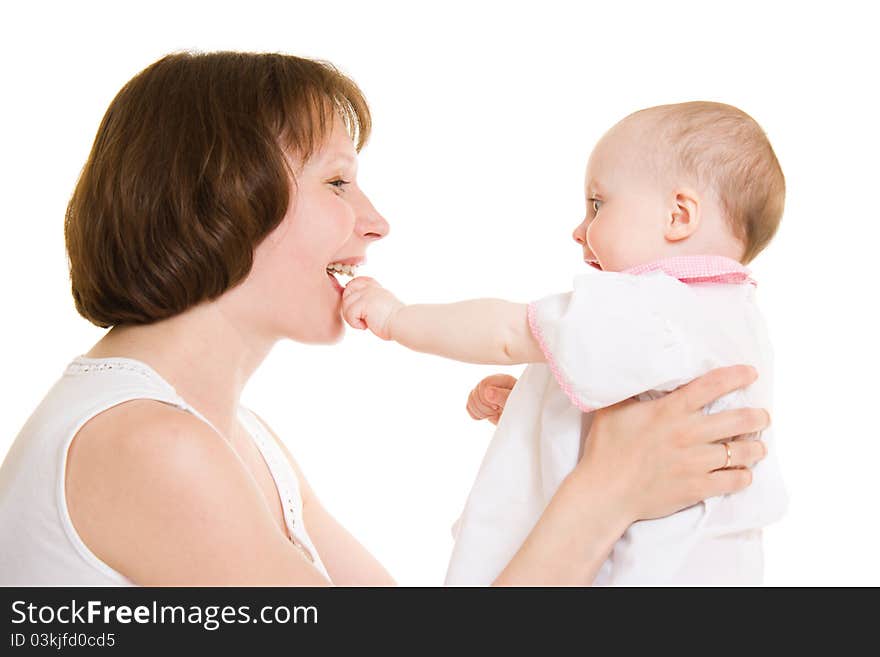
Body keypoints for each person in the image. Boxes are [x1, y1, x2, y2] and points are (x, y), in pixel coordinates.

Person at [0, 54, 769, 586]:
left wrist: (554, 438)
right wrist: (606, 493)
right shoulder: (150, 446)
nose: (375, 223)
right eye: (338, 182)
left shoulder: (239, 439)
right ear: (219, 199)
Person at [341, 101, 787, 585]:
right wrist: (547, 410)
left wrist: (395, 316)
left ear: (678, 215)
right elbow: (641, 420)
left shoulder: (651, 305)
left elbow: (508, 334)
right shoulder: (731, 317)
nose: (580, 230)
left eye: (598, 204)